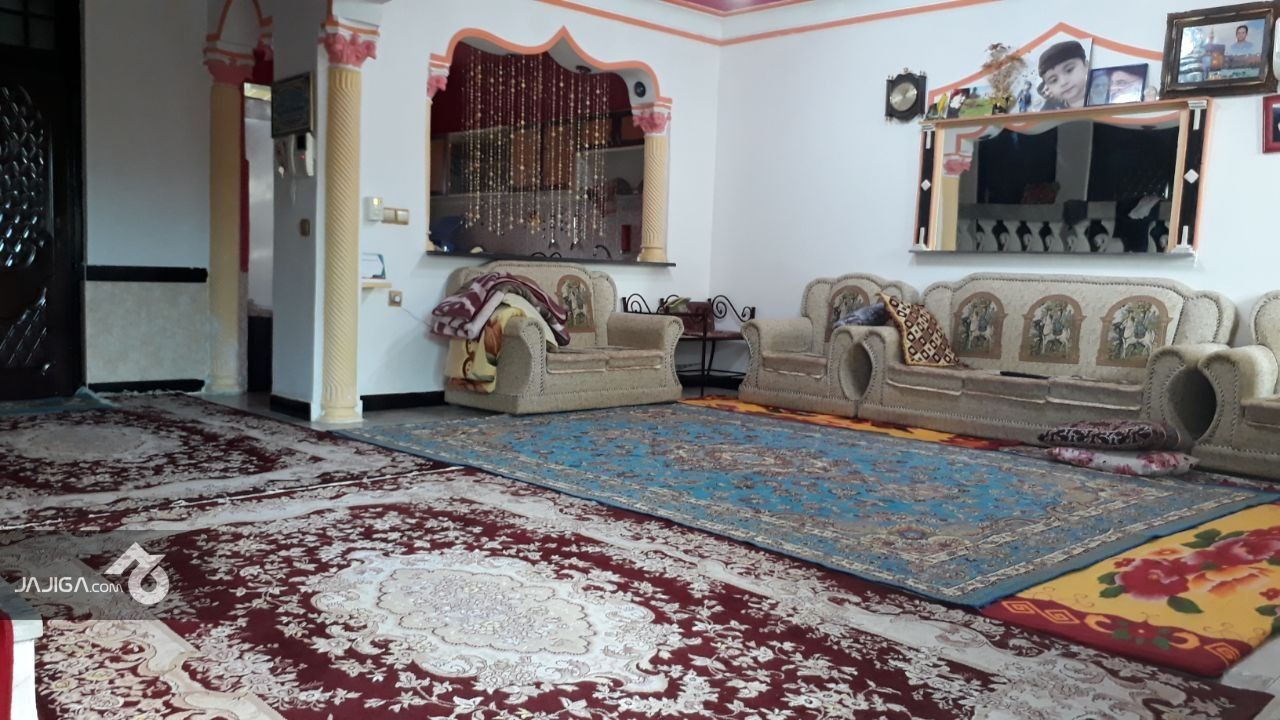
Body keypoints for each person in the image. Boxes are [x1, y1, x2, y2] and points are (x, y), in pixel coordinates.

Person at [1037, 40, 1089, 110]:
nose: (1063, 82)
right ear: (1048, 86)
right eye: (1054, 80)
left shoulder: (1103, 93)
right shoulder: (1048, 112)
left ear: (1086, 65)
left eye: (1069, 70)